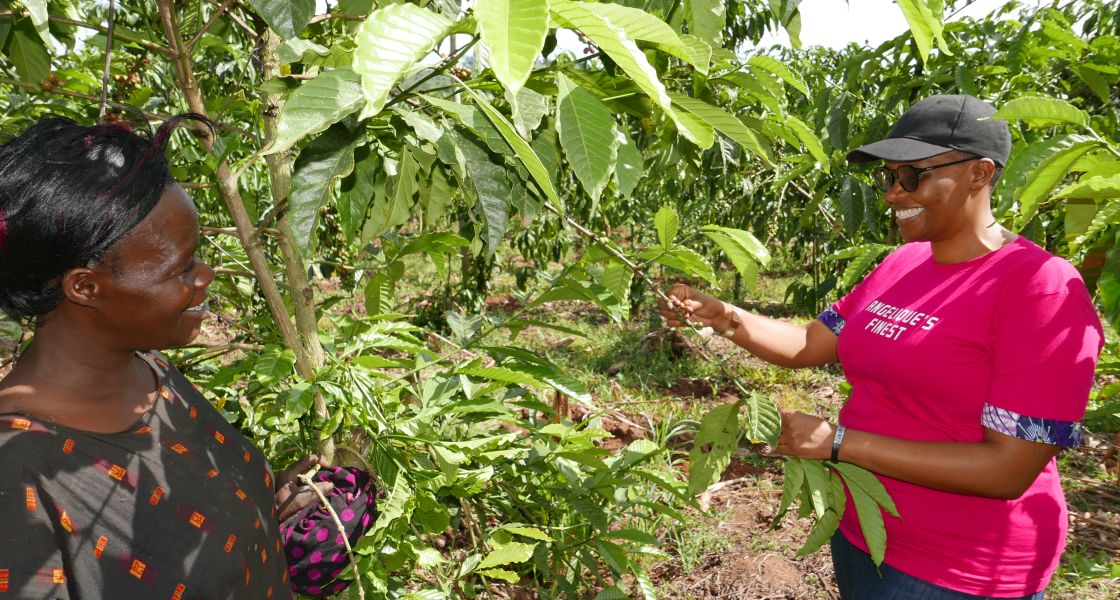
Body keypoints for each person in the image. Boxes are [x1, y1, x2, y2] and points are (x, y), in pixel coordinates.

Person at [660, 95, 1103, 599]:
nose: (893, 194)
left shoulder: (1038, 286)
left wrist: (839, 442)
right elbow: (810, 342)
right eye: (888, 177)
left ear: (979, 175)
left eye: (911, 176)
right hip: (864, 532)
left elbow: (1008, 469)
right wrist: (726, 317)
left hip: (959, 568)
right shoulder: (904, 263)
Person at [0, 115, 337, 599]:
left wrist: (265, 500)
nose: (206, 275)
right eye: (181, 267)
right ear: (85, 287)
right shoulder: (16, 476)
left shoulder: (151, 373)